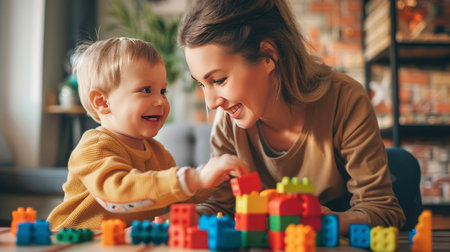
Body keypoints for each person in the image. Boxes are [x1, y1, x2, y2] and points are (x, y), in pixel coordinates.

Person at [178, 0, 406, 235]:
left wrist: (324, 222)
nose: (211, 102)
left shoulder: (345, 101)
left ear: (268, 55)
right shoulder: (228, 124)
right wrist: (180, 218)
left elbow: (383, 211)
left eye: (218, 80)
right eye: (202, 84)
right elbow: (220, 208)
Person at [47, 37, 249, 230]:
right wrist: (196, 177)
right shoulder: (94, 147)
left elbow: (175, 194)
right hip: (69, 242)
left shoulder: (159, 153)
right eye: (145, 90)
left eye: (163, 91)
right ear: (102, 102)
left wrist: (215, 179)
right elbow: (118, 193)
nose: (160, 101)